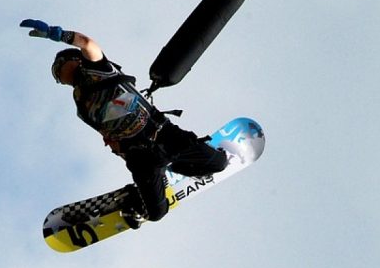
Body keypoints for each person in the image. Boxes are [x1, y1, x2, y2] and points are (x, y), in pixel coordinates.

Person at [21, 18, 228, 226]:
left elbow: (87, 44)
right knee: (156, 214)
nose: (59, 76)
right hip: (141, 156)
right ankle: (134, 199)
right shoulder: (82, 107)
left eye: (58, 68)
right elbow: (108, 134)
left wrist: (57, 34)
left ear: (74, 60)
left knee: (219, 163)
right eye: (56, 76)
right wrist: (123, 153)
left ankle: (180, 167)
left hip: (163, 134)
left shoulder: (96, 69)